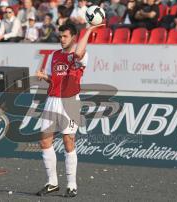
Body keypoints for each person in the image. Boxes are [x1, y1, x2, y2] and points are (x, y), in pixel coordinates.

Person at [35, 22, 102, 198]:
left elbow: (78, 53)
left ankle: (71, 185)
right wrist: (44, 77)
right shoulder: (54, 55)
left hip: (70, 101)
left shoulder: (81, 55)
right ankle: (52, 183)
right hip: (52, 101)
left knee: (68, 141)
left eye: (65, 36)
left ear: (73, 37)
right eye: (60, 36)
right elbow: (53, 79)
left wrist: (88, 31)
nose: (61, 39)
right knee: (44, 142)